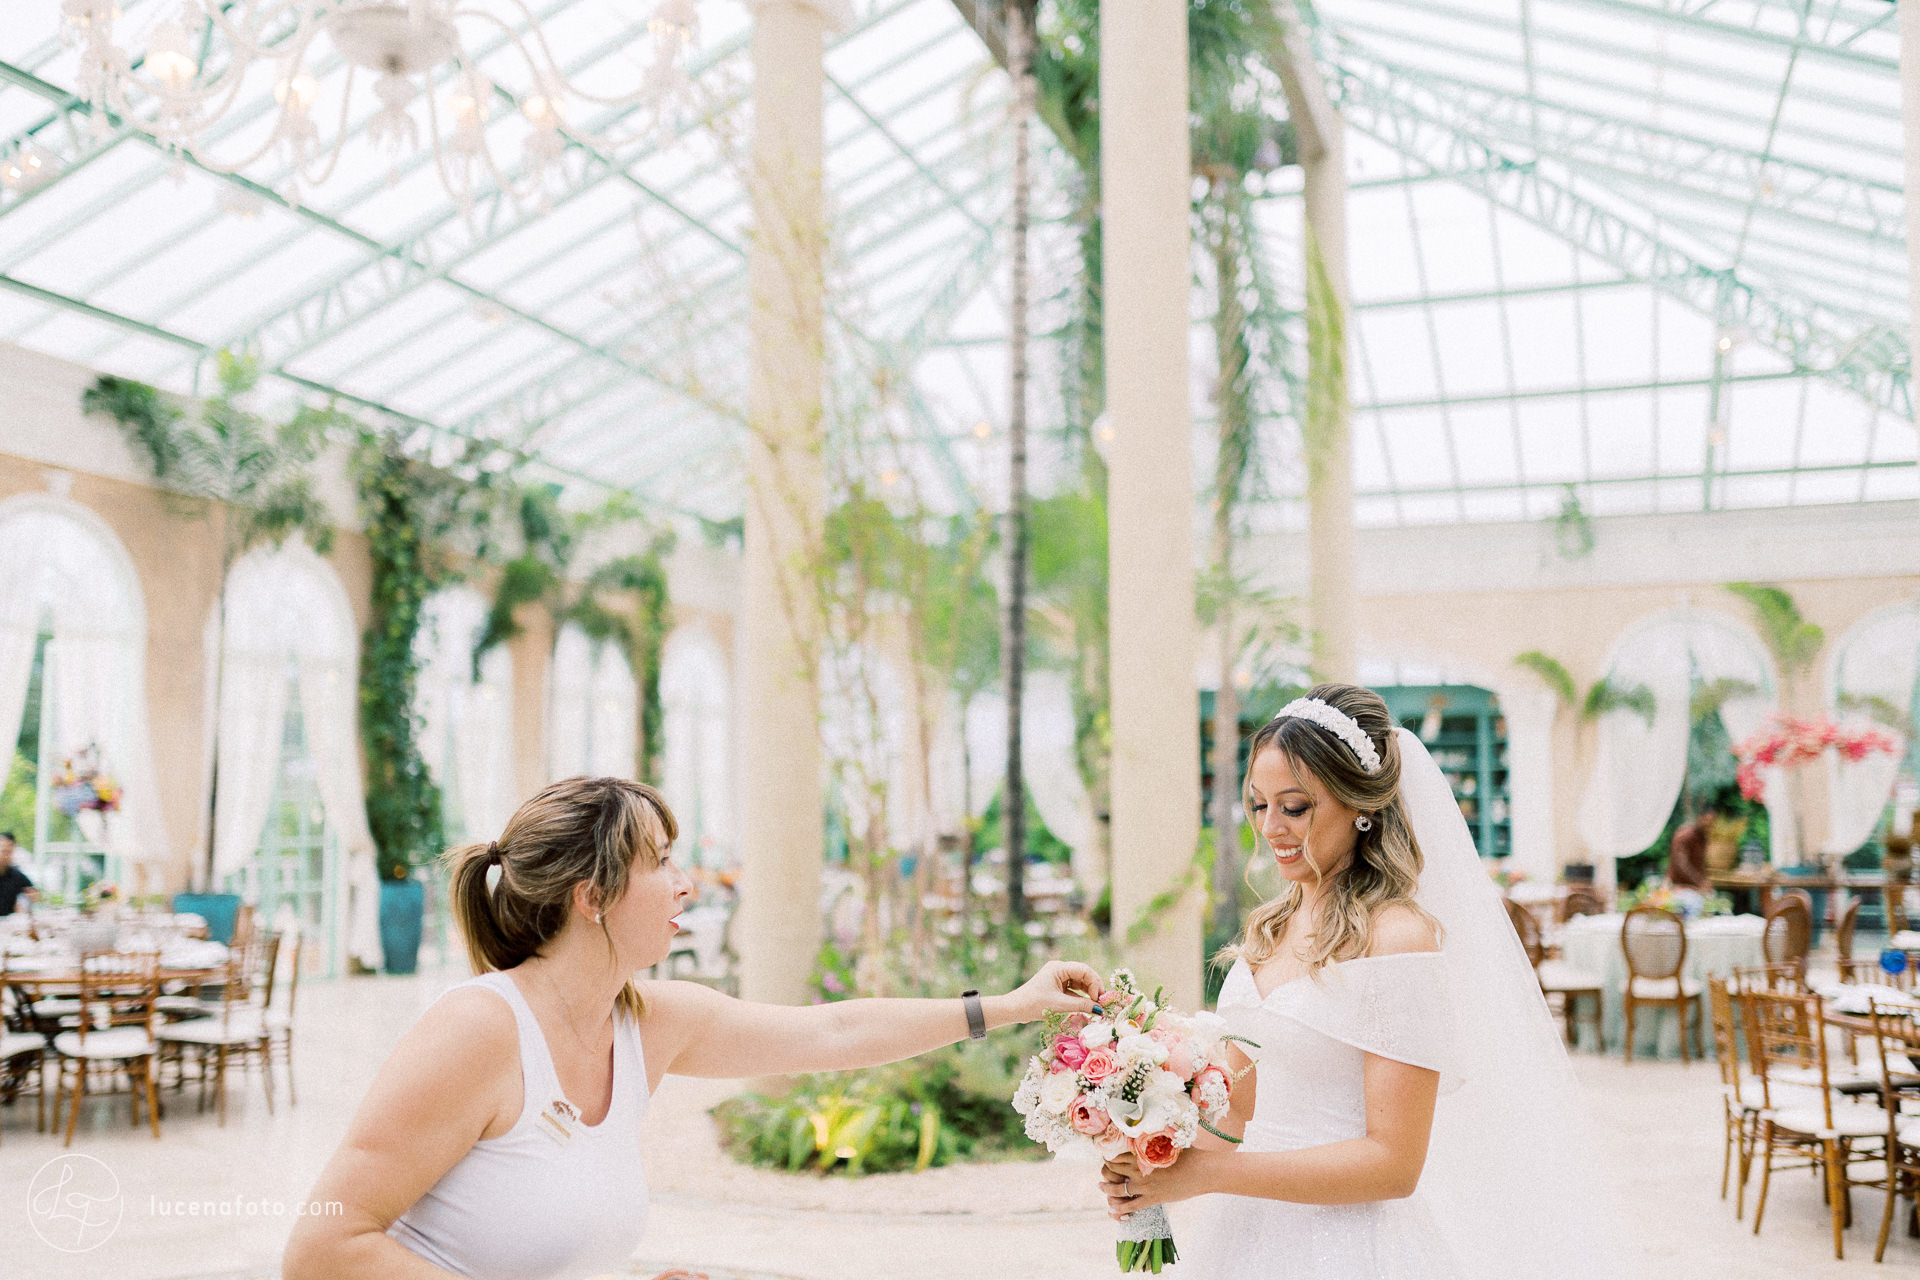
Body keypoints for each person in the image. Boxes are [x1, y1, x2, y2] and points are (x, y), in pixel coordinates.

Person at [283, 775, 1099, 1280]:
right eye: (661, 863)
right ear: (591, 896)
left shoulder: (647, 1022)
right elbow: (322, 1251)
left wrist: (1012, 1005)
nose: (686, 885)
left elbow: (833, 1035)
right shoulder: (479, 1031)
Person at [1097, 683, 1621, 1279]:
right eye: (1257, 804)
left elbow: (1393, 1163)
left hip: (1350, 1246)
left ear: (1359, 804)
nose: (1271, 828)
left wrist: (1213, 1175)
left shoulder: (1397, 937)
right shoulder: (1270, 928)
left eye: (1295, 807)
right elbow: (1241, 1114)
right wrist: (1151, 1155)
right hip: (1247, 1235)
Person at [1667, 808, 1715, 891]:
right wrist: (1699, 881)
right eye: (1707, 820)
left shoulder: (1703, 838)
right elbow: (1681, 864)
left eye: (1712, 823)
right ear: (1700, 818)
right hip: (1678, 886)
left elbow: (1700, 863)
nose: (1709, 825)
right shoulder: (1684, 836)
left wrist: (1704, 881)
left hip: (1694, 887)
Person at [0, 832, 35, 915]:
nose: (6, 856)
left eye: (10, 852)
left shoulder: (16, 875)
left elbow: (32, 893)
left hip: (10, 924)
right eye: (4, 851)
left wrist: (28, 905)